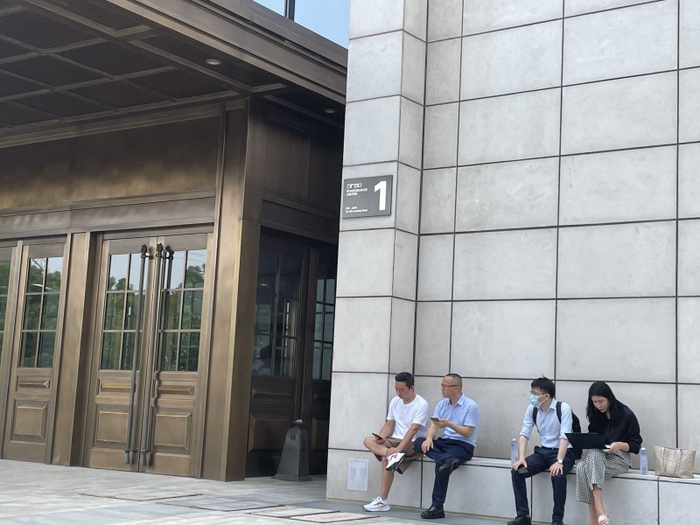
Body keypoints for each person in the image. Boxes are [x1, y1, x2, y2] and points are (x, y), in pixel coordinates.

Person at [508, 377, 575, 525]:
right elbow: (524, 433)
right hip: (543, 453)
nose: (531, 396)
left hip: (563, 453)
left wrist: (559, 461)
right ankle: (523, 516)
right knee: (517, 471)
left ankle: (557, 520)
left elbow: (565, 436)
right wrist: (521, 458)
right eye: (531, 392)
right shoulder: (532, 409)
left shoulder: (563, 408)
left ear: (546, 396)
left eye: (535, 393)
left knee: (558, 475)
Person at [414, 373, 479, 520]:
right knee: (418, 442)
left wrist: (449, 424)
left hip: (463, 445)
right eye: (441, 385)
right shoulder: (441, 404)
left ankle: (437, 507)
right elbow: (434, 425)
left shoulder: (471, 406)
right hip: (445, 442)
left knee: (441, 466)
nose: (442, 389)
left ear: (455, 388)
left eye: (444, 386)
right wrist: (429, 439)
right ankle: (446, 460)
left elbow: (468, 433)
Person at [576, 382, 642, 525]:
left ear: (609, 398)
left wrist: (619, 445)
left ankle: (596, 513)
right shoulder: (595, 414)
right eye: (594, 402)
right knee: (583, 465)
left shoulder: (626, 414)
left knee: (585, 466)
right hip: (598, 458)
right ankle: (597, 514)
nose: (598, 405)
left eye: (601, 401)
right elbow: (593, 437)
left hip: (619, 459)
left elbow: (636, 445)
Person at [362, 372, 429, 512]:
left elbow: (413, 429)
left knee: (386, 459)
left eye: (402, 390)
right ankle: (390, 454)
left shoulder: (421, 404)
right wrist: (381, 437)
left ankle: (382, 500)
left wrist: (398, 449)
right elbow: (389, 424)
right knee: (368, 440)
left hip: (413, 442)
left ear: (412, 388)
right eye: (396, 389)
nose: (399, 393)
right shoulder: (395, 401)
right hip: (394, 440)